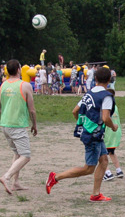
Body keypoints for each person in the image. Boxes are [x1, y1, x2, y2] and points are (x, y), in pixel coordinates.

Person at [45, 66, 117, 202]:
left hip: (93, 134)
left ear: (95, 78)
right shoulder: (106, 96)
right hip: (93, 136)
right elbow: (106, 118)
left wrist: (83, 125)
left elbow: (75, 111)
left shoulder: (89, 93)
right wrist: (113, 127)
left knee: (104, 161)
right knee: (89, 168)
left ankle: (96, 194)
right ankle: (55, 177)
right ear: (109, 79)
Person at [0, 59, 38, 195]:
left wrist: (7, 114)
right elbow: (32, 110)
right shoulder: (25, 86)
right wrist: (34, 125)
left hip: (5, 125)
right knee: (26, 156)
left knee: (17, 153)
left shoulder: (3, 85)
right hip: (17, 126)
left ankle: (16, 183)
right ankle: (6, 177)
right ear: (19, 70)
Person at [101, 93, 125, 183]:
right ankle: (119, 170)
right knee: (111, 152)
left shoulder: (105, 108)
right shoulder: (115, 106)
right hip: (116, 133)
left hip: (108, 133)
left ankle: (107, 173)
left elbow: (104, 119)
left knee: (101, 154)